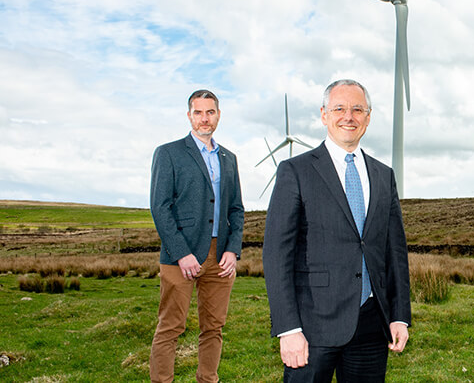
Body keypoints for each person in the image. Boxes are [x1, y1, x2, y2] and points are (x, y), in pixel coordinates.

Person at [263, 79, 411, 382]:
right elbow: (277, 255)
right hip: (312, 325)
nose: (349, 116)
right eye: (340, 108)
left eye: (358, 109)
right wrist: (288, 329)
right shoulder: (296, 171)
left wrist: (399, 315)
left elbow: (394, 252)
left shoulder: (384, 175)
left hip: (371, 323)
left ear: (368, 117)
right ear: (324, 114)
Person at [149, 89, 245, 383]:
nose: (205, 119)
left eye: (210, 112)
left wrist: (232, 249)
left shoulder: (229, 158)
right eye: (198, 112)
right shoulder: (168, 153)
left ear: (218, 115)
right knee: (170, 327)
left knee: (213, 328)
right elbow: (160, 206)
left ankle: (208, 379)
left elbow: (237, 209)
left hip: (221, 257)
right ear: (189, 115)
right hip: (181, 254)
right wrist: (181, 252)